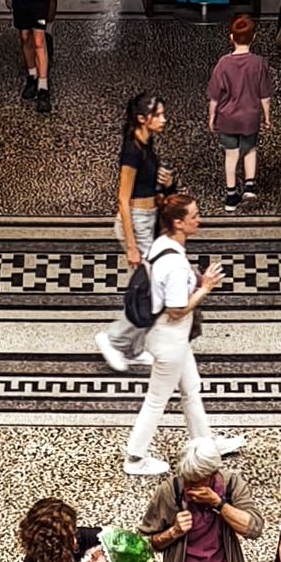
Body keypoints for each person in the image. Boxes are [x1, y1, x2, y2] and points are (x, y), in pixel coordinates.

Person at [121, 191, 232, 479]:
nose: (199, 220)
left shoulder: (163, 244)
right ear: (178, 223)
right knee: (157, 399)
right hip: (169, 339)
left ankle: (205, 445)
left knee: (191, 389)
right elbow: (176, 310)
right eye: (194, 216)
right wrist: (205, 288)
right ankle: (135, 458)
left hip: (173, 338)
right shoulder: (175, 263)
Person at [98, 91, 171, 375]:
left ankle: (135, 348)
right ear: (142, 118)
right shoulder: (131, 150)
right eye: (158, 115)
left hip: (148, 219)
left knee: (150, 287)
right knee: (150, 288)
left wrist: (166, 182)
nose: (164, 119)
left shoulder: (147, 143)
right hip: (136, 222)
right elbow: (123, 199)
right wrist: (131, 245)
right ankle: (114, 339)